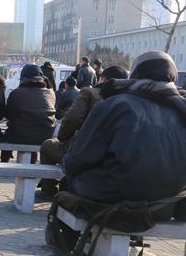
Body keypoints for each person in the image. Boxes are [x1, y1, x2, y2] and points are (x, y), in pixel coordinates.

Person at [61, 52, 186, 223]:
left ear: (136, 74)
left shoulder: (114, 105)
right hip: (163, 207)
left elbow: (77, 159)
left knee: (69, 182)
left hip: (113, 200)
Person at [38, 65, 129, 197]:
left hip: (85, 151)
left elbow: (72, 118)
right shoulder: (129, 100)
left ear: (102, 78)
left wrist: (63, 139)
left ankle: (49, 190)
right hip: (115, 156)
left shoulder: (90, 93)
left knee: (47, 145)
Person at [1, 64, 56, 162]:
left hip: (21, 135)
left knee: (11, 131)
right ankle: (32, 161)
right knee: (33, 124)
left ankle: (4, 160)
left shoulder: (16, 93)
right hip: (46, 135)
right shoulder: (50, 93)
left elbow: (9, 114)